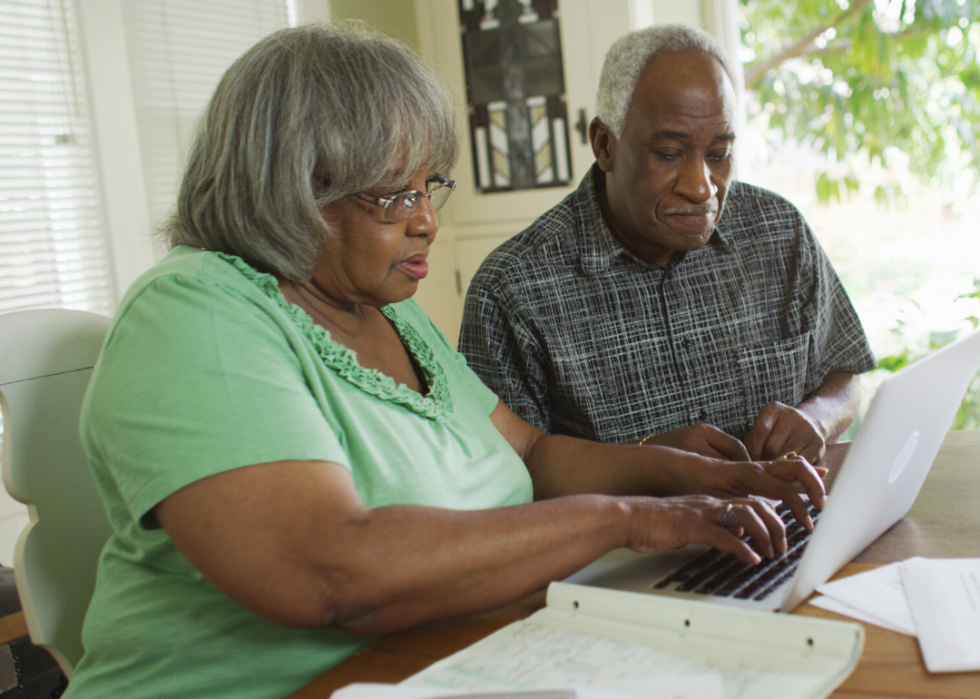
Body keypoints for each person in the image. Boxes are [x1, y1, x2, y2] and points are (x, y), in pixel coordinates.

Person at [63, 23, 828, 699]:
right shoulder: (197, 311)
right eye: (394, 197)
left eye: (432, 184)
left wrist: (689, 477)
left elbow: (528, 451)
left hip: (455, 663)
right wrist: (625, 517)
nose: (429, 221)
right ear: (289, 192)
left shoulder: (387, 310)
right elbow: (329, 570)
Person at [459, 24, 876, 465]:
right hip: (629, 535)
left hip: (789, 520)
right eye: (669, 154)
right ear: (605, 145)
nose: (701, 188)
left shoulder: (778, 231)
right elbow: (504, 475)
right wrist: (644, 465)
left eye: (718, 155)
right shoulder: (512, 290)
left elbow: (842, 374)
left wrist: (818, 418)